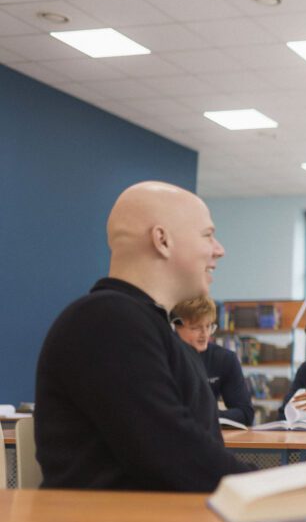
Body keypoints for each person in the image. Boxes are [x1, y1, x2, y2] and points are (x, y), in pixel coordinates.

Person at [35, 181, 253, 492]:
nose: (219, 249)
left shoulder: (148, 329)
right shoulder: (106, 322)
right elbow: (172, 453)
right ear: (162, 240)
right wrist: (272, 489)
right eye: (208, 235)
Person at [171, 296, 254, 426]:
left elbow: (246, 413)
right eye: (195, 328)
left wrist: (207, 415)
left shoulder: (225, 359)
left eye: (209, 326)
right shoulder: (162, 357)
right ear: (176, 327)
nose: (205, 334)